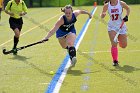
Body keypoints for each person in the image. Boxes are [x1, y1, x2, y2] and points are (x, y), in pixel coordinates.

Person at [101, 0, 130, 66]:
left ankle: (121, 40)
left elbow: (128, 8)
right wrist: (103, 15)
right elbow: (102, 15)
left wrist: (126, 16)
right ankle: (115, 60)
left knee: (123, 45)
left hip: (121, 26)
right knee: (114, 43)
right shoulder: (107, 5)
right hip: (112, 27)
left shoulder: (121, 3)